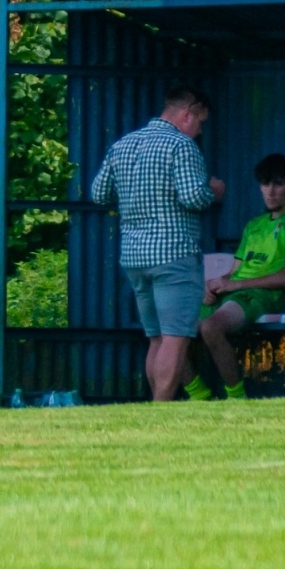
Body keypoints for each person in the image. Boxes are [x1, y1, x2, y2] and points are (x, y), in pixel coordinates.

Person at [90, 84, 224, 403]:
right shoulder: (181, 146)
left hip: (135, 257)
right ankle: (160, 413)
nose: (199, 129)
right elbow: (193, 196)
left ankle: (153, 408)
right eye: (200, 122)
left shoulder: (123, 144)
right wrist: (213, 191)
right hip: (174, 254)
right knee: (176, 340)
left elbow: (98, 194)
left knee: (155, 339)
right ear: (187, 114)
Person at [183, 153, 285, 401]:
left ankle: (237, 400)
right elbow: (234, 271)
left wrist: (235, 284)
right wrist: (215, 285)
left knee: (210, 328)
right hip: (236, 293)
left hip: (264, 295)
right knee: (172, 330)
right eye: (265, 184)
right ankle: (199, 395)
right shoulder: (254, 225)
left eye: (278, 183)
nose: (270, 191)